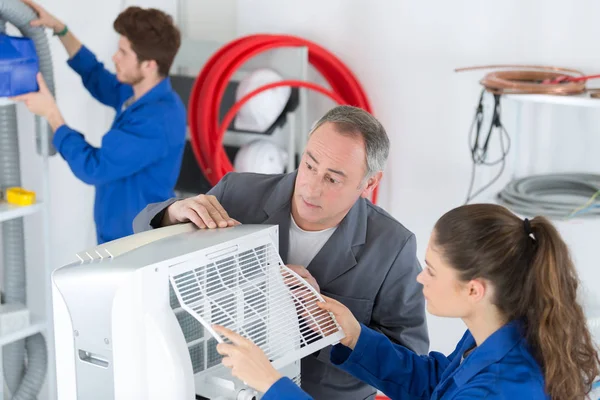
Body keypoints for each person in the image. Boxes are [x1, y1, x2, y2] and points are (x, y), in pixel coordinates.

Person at [133, 105, 429, 399]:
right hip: (218, 389)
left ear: (370, 183)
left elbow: (408, 364)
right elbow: (144, 245)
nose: (311, 189)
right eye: (310, 165)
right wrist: (172, 214)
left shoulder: (393, 247)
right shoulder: (236, 193)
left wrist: (327, 326)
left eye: (332, 179)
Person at [213, 203, 600, 399]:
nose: (419, 277)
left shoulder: (498, 389)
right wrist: (353, 336)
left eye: (431, 270)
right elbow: (435, 385)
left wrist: (270, 382)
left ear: (474, 289)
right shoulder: (500, 332)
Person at [12, 1, 186, 244]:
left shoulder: (156, 120)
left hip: (137, 243)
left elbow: (94, 167)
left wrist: (52, 114)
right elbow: (97, 77)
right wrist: (61, 29)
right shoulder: (137, 94)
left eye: (123, 52)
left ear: (149, 64)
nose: (115, 57)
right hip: (117, 234)